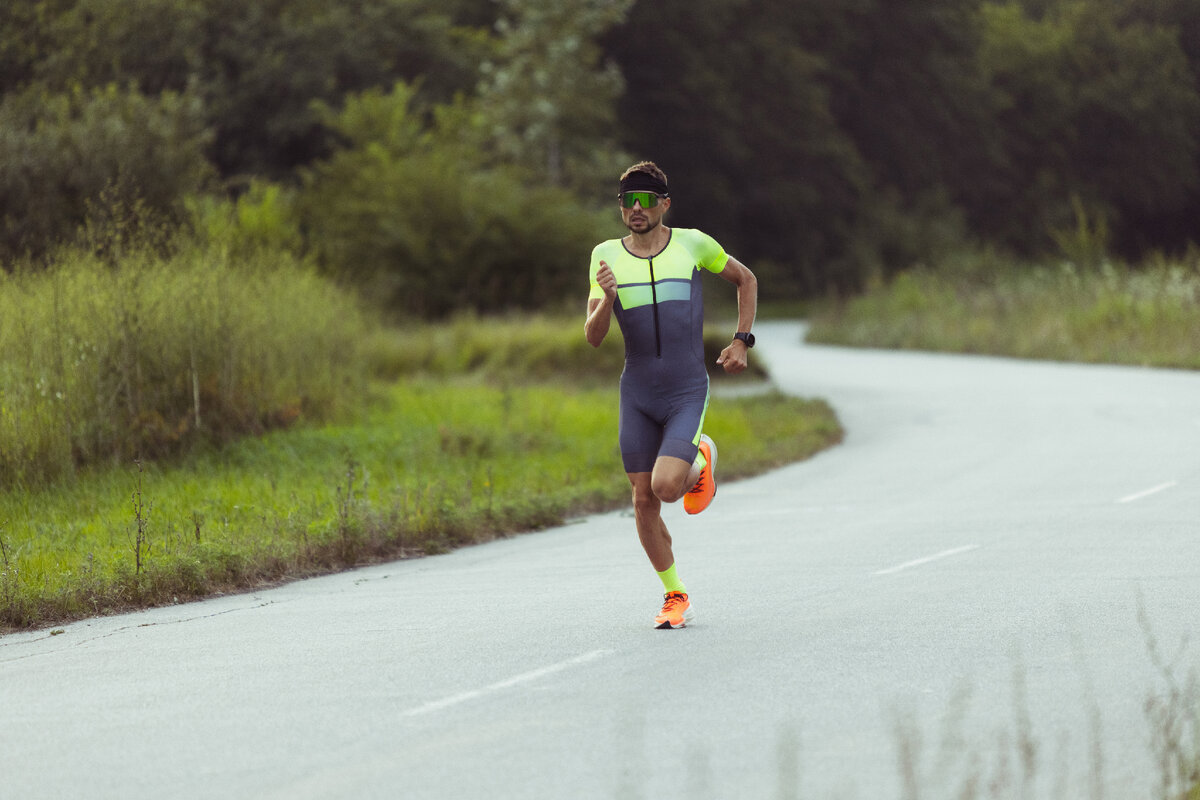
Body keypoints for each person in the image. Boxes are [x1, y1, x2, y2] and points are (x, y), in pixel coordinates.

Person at [585, 161, 758, 629]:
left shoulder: (693, 243)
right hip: (637, 388)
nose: (636, 209)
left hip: (685, 386)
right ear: (621, 207)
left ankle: (700, 458)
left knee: (665, 486)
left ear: (664, 203)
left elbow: (746, 280)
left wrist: (742, 340)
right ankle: (674, 594)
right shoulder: (605, 255)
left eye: (646, 200)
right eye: (628, 201)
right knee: (644, 499)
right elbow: (593, 336)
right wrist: (605, 298)